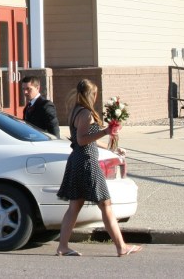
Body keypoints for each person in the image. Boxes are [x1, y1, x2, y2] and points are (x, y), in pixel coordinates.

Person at [55, 79, 142, 258]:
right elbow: (82, 139)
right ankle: (121, 247)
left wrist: (110, 148)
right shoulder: (86, 113)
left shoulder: (75, 111)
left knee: (75, 205)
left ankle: (62, 246)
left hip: (78, 160)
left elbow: (87, 139)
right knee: (105, 203)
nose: (96, 97)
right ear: (90, 95)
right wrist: (106, 131)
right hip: (87, 162)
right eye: (94, 94)